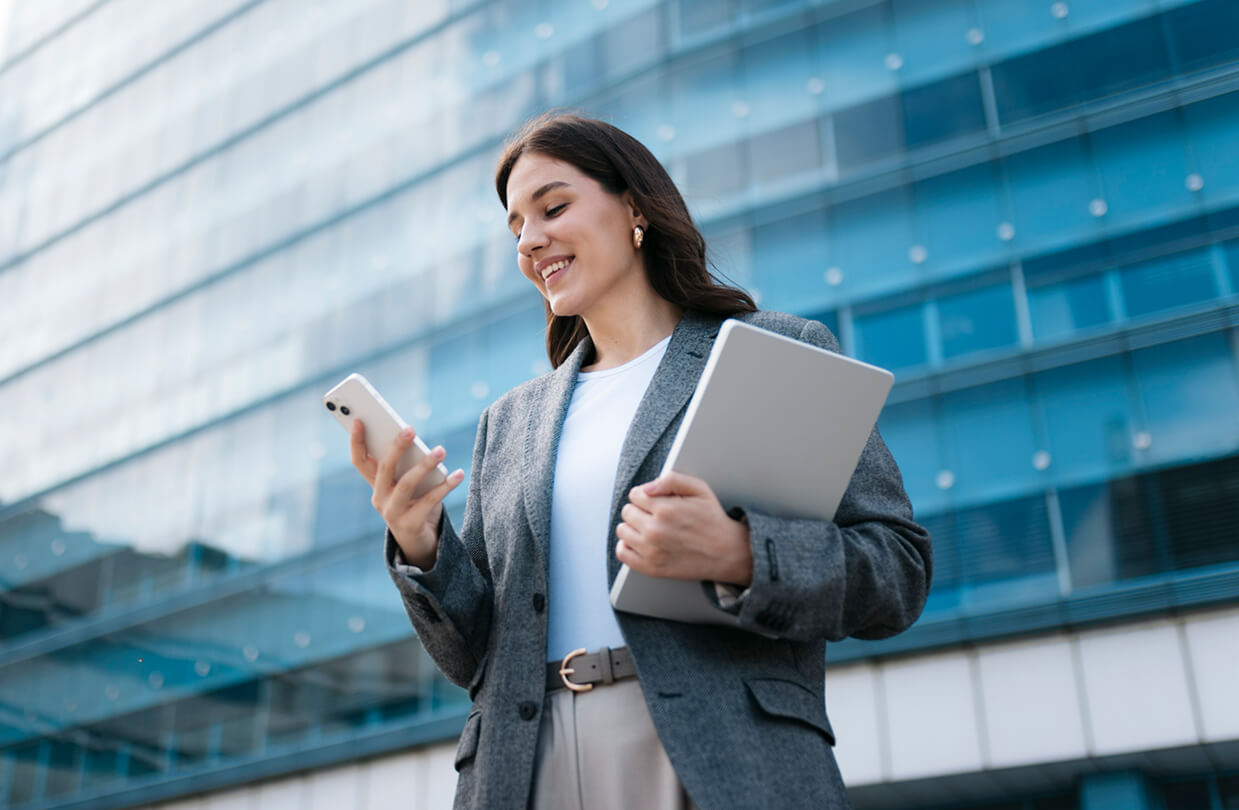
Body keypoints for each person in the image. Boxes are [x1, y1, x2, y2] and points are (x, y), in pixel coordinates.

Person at [347, 112, 932, 810]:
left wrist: (741, 553)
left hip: (713, 750)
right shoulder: (509, 423)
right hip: (528, 763)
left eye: (552, 207)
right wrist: (421, 543)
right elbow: (473, 657)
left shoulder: (775, 351)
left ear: (633, 208)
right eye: (515, 229)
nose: (530, 240)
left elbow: (896, 572)